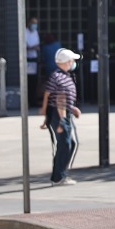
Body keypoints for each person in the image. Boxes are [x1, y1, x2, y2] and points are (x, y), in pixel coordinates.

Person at [39, 48, 82, 185]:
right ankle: (58, 177)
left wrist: (71, 108)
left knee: (70, 143)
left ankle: (60, 173)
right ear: (68, 62)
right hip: (59, 114)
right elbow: (60, 100)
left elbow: (48, 95)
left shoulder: (59, 75)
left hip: (59, 113)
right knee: (65, 144)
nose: (74, 63)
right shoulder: (61, 78)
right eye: (72, 60)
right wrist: (61, 120)